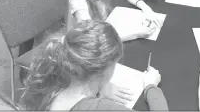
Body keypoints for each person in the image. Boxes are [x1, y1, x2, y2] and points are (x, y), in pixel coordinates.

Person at [20, 20, 169, 110]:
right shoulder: (100, 107)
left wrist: (99, 89)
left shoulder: (53, 78)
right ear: (104, 70)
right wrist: (151, 86)